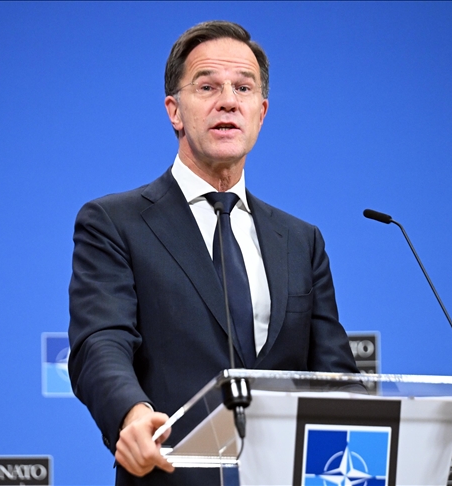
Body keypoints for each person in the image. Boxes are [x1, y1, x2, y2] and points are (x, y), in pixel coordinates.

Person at [68, 20, 361, 485]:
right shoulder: (114, 222)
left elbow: (335, 379)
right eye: (207, 86)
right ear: (174, 111)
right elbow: (100, 341)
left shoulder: (301, 241)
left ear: (261, 112)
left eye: (243, 88)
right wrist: (131, 413)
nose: (228, 101)